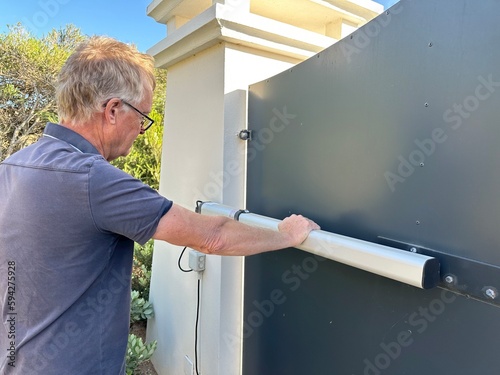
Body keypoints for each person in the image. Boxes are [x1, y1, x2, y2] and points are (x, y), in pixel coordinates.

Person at [0, 36, 319, 374]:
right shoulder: (93, 179)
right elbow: (212, 236)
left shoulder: (13, 166)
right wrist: (285, 234)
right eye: (143, 117)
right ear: (112, 110)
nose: (141, 129)